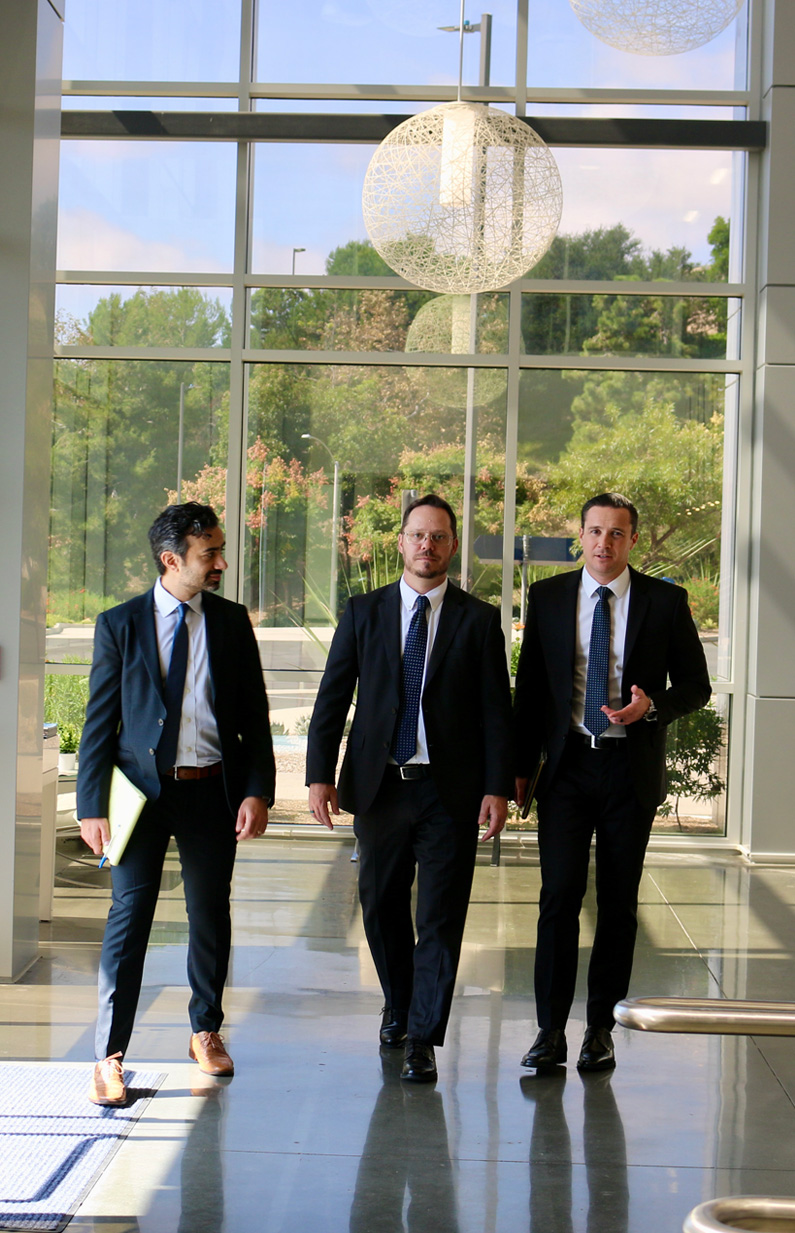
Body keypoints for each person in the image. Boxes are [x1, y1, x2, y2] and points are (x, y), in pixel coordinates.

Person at [306, 494, 513, 1083]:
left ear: (453, 546)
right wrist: (320, 774)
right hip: (380, 788)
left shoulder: (478, 620)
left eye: (439, 537)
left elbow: (496, 711)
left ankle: (422, 1036)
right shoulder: (363, 612)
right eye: (418, 535)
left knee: (441, 916)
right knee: (381, 907)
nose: (428, 545)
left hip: (450, 791)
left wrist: (497, 787)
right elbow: (332, 696)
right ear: (401, 543)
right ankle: (398, 1005)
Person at [77, 502, 275, 1105]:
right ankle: (110, 1055)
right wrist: (91, 806)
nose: (220, 563)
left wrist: (257, 790)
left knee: (209, 913)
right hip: (139, 795)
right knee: (129, 916)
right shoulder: (120, 624)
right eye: (208, 553)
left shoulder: (231, 622)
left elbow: (254, 717)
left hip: (211, 790)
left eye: (219, 551)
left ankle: (205, 1031)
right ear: (171, 559)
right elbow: (100, 722)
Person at [514, 492, 711, 1072]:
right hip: (567, 769)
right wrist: (518, 771)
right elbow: (530, 691)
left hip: (630, 770)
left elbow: (696, 686)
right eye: (595, 531)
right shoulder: (548, 597)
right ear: (581, 535)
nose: (604, 542)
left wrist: (652, 708)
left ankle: (599, 1029)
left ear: (632, 540)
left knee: (618, 903)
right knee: (558, 896)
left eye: (617, 533)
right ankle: (550, 1030)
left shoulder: (665, 601)